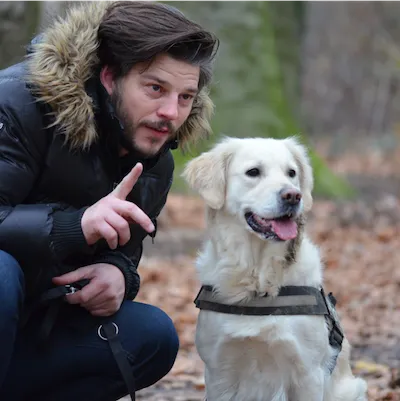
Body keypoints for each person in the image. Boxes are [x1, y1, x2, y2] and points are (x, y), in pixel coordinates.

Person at [0, 0, 219, 399]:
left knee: (152, 336)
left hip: (36, 324)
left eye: (186, 97)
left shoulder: (154, 155)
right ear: (109, 76)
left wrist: (118, 275)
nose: (170, 113)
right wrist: (73, 226)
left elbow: (123, 251)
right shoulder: (18, 103)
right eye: (155, 88)